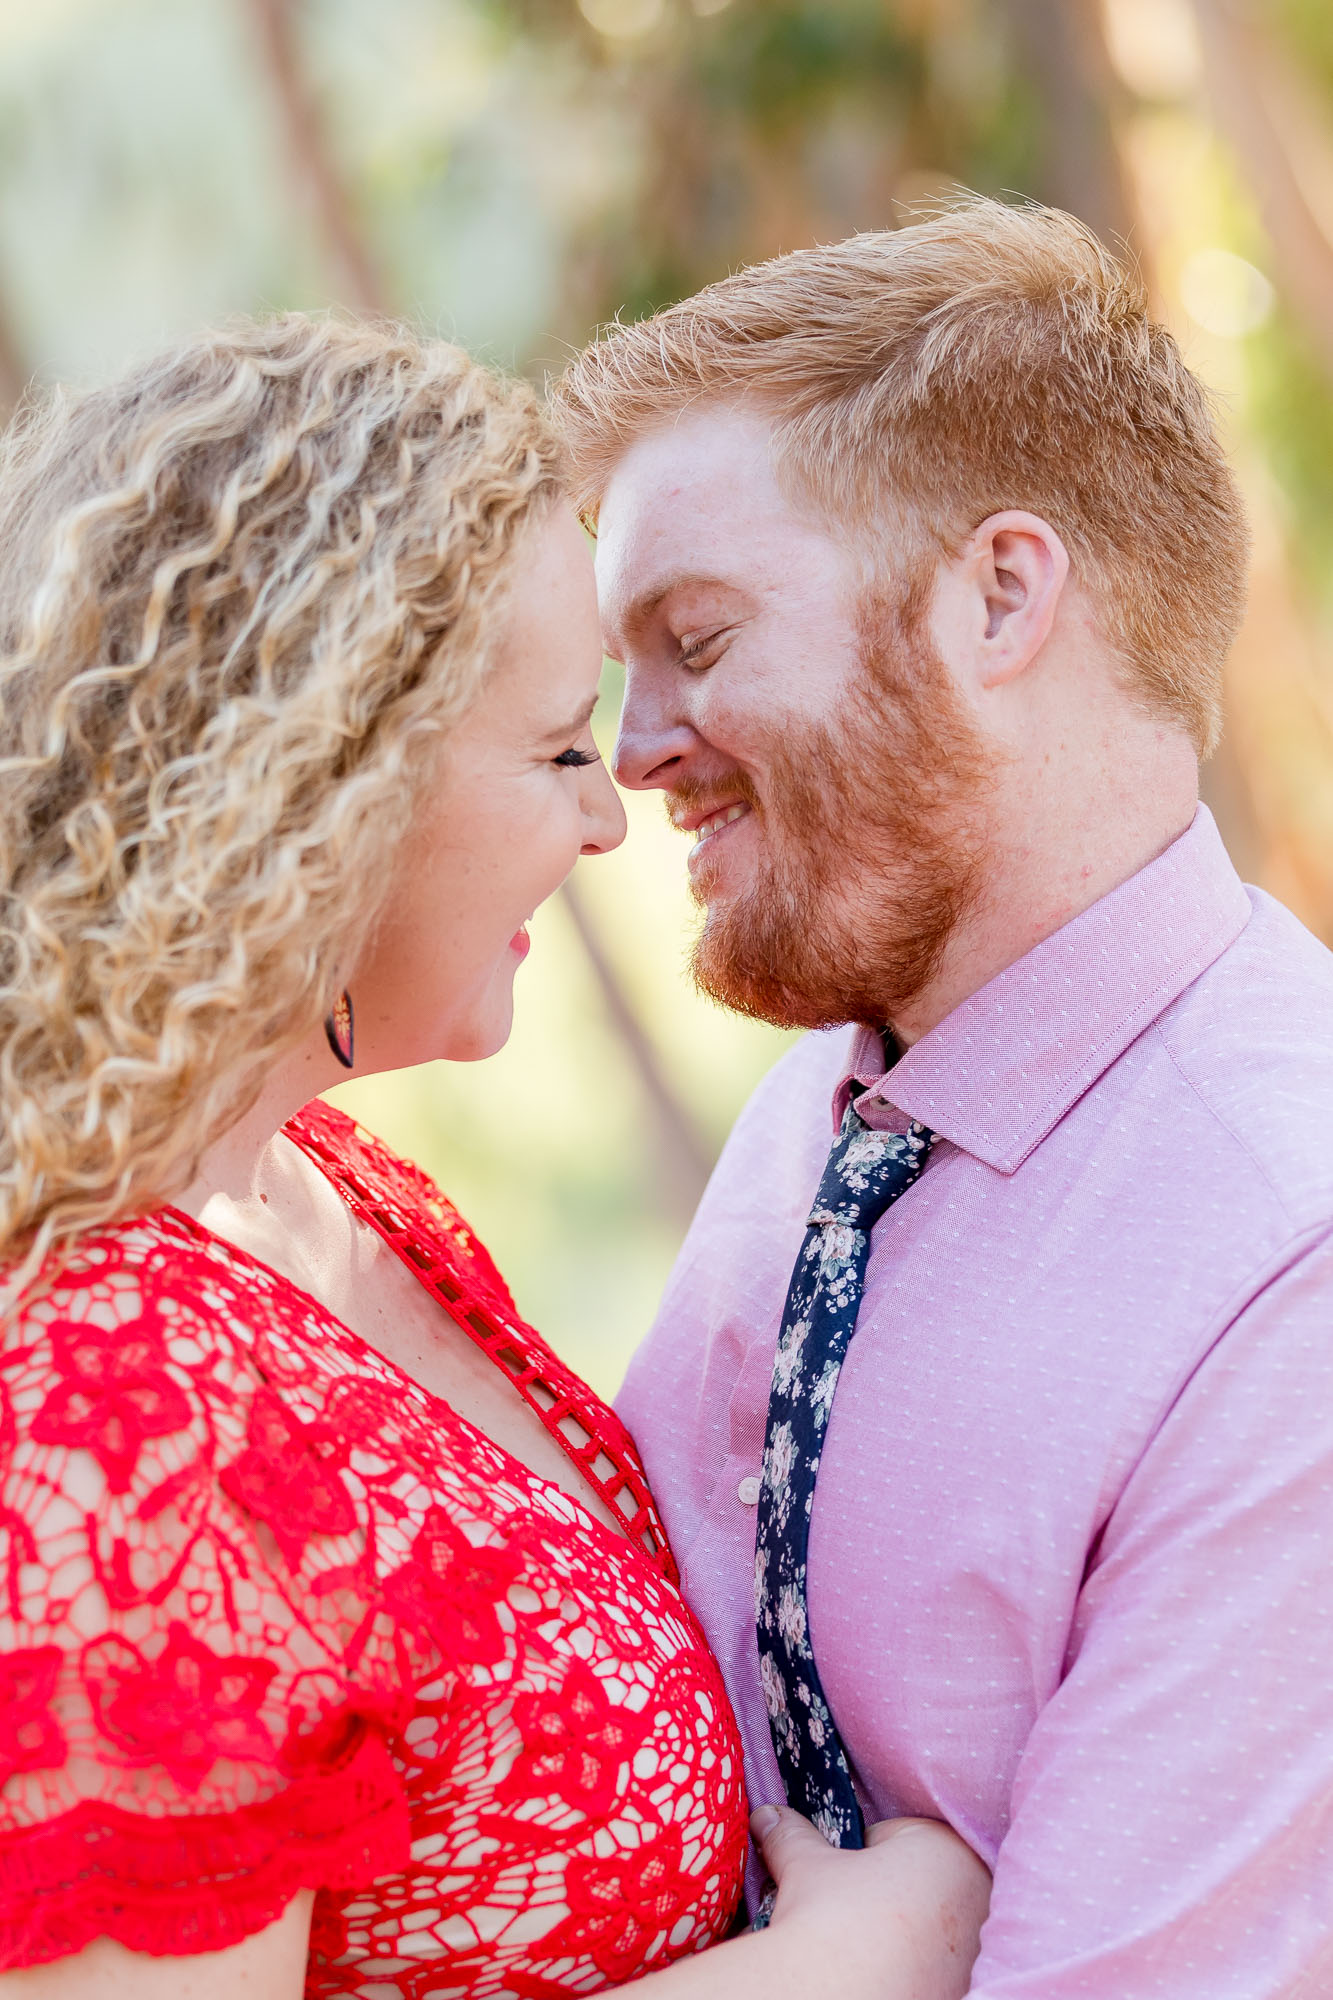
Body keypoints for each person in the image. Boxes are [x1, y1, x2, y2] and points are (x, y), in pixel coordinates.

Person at [0, 315, 989, 1999]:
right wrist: (848, 1970)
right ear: (315, 795)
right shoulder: (100, 1404)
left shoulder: (328, 1201)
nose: (609, 818)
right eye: (552, 752)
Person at [553, 197, 1333, 1995]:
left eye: (698, 635)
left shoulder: (1286, 1257)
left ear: (999, 596)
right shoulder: (818, 1105)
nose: (633, 748)